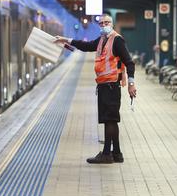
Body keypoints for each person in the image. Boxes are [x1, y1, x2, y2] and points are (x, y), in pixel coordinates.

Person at [55, 14, 136, 164]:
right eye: (101, 23)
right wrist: (66, 40)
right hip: (105, 85)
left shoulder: (116, 40)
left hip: (111, 85)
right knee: (111, 120)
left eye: (107, 22)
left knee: (109, 120)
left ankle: (106, 154)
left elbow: (129, 63)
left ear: (112, 24)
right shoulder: (102, 40)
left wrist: (131, 83)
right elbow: (86, 46)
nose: (104, 24)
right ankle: (117, 154)